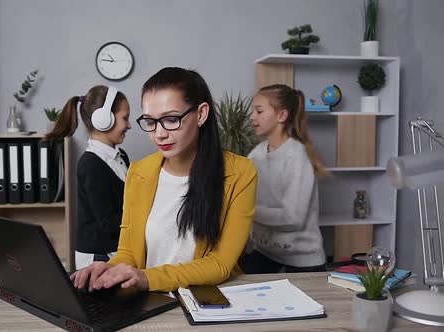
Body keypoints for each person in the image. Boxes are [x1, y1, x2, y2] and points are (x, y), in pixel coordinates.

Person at [70, 67, 257, 292]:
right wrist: (107, 269)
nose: (159, 133)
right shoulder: (139, 172)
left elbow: (220, 264)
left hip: (207, 302)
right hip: (151, 302)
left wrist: (147, 278)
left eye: (170, 119)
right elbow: (129, 253)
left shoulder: (240, 173)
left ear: (201, 114)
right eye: (150, 121)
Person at [241, 84, 329, 274]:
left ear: (281, 115)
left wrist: (246, 211)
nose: (252, 117)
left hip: (303, 260)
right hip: (266, 252)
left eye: (259, 111)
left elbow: (293, 218)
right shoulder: (255, 155)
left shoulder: (297, 156)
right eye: (253, 111)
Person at [46, 85, 131, 270]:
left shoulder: (121, 156)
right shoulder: (90, 164)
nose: (129, 125)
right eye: (125, 118)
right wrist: (146, 214)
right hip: (99, 256)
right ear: (104, 120)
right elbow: (108, 222)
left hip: (116, 250)